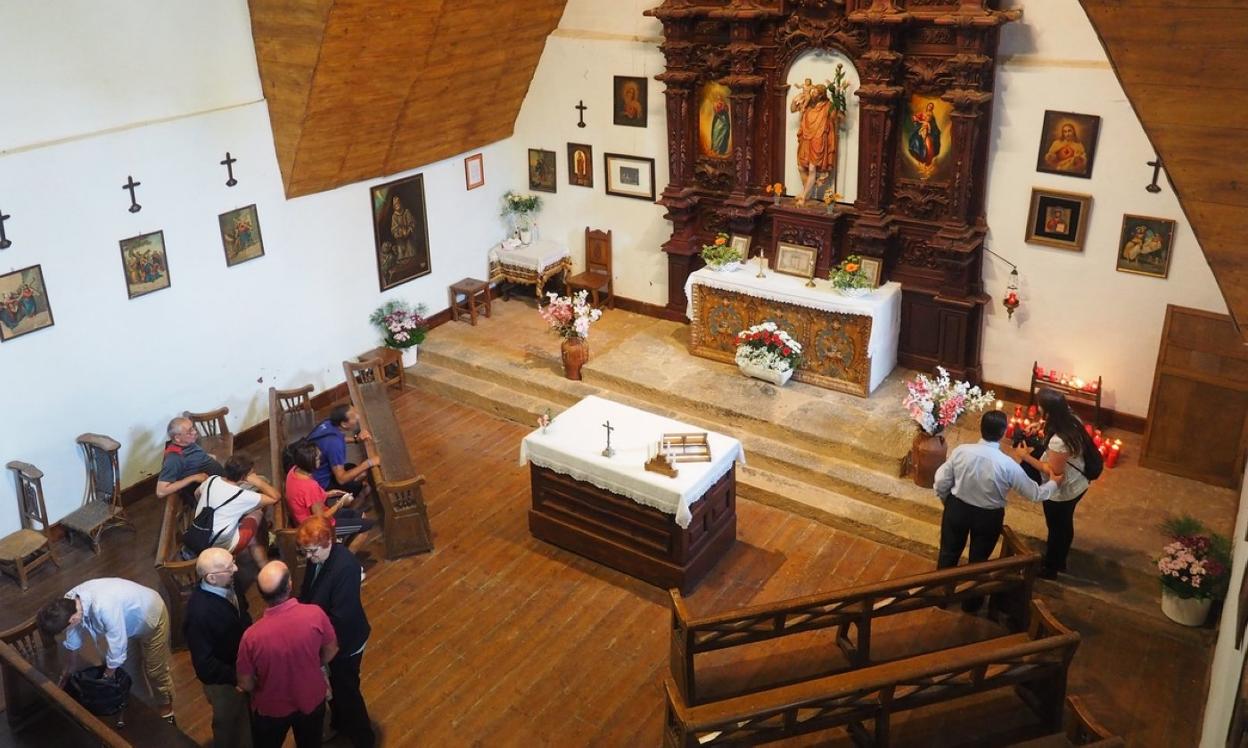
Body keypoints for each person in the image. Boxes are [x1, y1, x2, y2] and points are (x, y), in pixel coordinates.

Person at [933, 410, 1064, 611]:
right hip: (988, 517)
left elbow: (942, 480)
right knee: (979, 562)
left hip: (958, 508)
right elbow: (1034, 493)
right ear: (1003, 433)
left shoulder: (962, 451)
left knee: (948, 554)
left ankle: (940, 598)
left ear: (981, 428)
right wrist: (1054, 483)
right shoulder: (1007, 465)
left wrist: (948, 502)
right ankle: (971, 605)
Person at [36, 578, 175, 722]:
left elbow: (117, 648)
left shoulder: (104, 607)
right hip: (127, 621)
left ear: (72, 620)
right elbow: (74, 635)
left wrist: (105, 678)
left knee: (155, 671)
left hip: (152, 616)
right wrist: (68, 670)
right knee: (129, 670)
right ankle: (145, 707)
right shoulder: (69, 602)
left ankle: (167, 712)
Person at [237, 561, 338, 748]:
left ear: (262, 595)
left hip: (271, 706)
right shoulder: (315, 615)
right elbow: (331, 649)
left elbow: (245, 682)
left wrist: (260, 686)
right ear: (289, 585)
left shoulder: (251, 637)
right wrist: (312, 664)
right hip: (311, 697)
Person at [298, 516, 376, 747]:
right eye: (305, 551)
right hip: (328, 638)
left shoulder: (346, 567)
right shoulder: (318, 556)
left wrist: (318, 645)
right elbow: (308, 591)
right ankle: (341, 724)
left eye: (312, 551)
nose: (308, 557)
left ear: (328, 542)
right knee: (335, 685)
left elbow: (341, 617)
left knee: (347, 690)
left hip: (345, 642)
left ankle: (363, 739)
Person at [1017, 389, 1092, 579]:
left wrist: (1025, 456)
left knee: (1058, 527)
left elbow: (1054, 472)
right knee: (1063, 523)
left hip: (1064, 490)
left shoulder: (1059, 442)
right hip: (1078, 481)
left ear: (1048, 410)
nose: (1038, 409)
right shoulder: (1072, 418)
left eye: (1040, 407)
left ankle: (1051, 566)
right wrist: (1039, 425)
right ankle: (1059, 559)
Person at [185, 548, 253, 748]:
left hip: (241, 665)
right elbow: (205, 665)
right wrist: (235, 678)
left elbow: (243, 611)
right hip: (224, 681)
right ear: (211, 578)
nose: (236, 569)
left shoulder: (230, 581)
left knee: (244, 717)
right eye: (229, 567)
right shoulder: (199, 613)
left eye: (233, 562)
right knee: (227, 722)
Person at [285, 441, 376, 553]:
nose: (320, 459)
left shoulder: (294, 471)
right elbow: (320, 518)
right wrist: (340, 504)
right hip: (315, 529)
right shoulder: (310, 486)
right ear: (309, 462)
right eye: (317, 458)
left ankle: (340, 547)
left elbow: (307, 498)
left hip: (304, 521)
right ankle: (344, 559)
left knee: (361, 516)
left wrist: (328, 493)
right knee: (366, 526)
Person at [193, 454, 281, 567]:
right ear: (244, 477)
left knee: (251, 532)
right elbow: (275, 497)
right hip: (221, 544)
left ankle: (263, 562)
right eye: (251, 473)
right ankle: (264, 561)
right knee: (257, 512)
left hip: (200, 532)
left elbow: (196, 493)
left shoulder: (212, 480)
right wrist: (257, 481)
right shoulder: (241, 495)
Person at [157, 416, 225, 507]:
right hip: (210, 496)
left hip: (219, 482)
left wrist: (207, 457)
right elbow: (160, 492)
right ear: (177, 438)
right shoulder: (174, 458)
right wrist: (193, 477)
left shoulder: (187, 443)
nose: (195, 432)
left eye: (193, 428)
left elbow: (193, 457)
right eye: (189, 431)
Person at [790, 80, 839, 203]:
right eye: (812, 91)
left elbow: (836, 117)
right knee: (801, 167)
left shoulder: (828, 106)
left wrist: (838, 101)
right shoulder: (807, 104)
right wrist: (794, 100)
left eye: (815, 92)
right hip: (806, 138)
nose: (812, 94)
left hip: (818, 140)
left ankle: (804, 196)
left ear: (821, 95)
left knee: (812, 169)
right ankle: (807, 193)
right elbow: (792, 109)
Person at [908, 101, 942, 169]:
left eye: (931, 107)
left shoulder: (932, 117)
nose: (930, 107)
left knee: (929, 146)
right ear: (927, 106)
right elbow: (915, 118)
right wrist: (918, 121)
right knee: (917, 142)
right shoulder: (922, 113)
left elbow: (933, 126)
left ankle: (927, 161)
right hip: (920, 130)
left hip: (927, 132)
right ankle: (920, 159)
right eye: (929, 106)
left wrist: (932, 130)